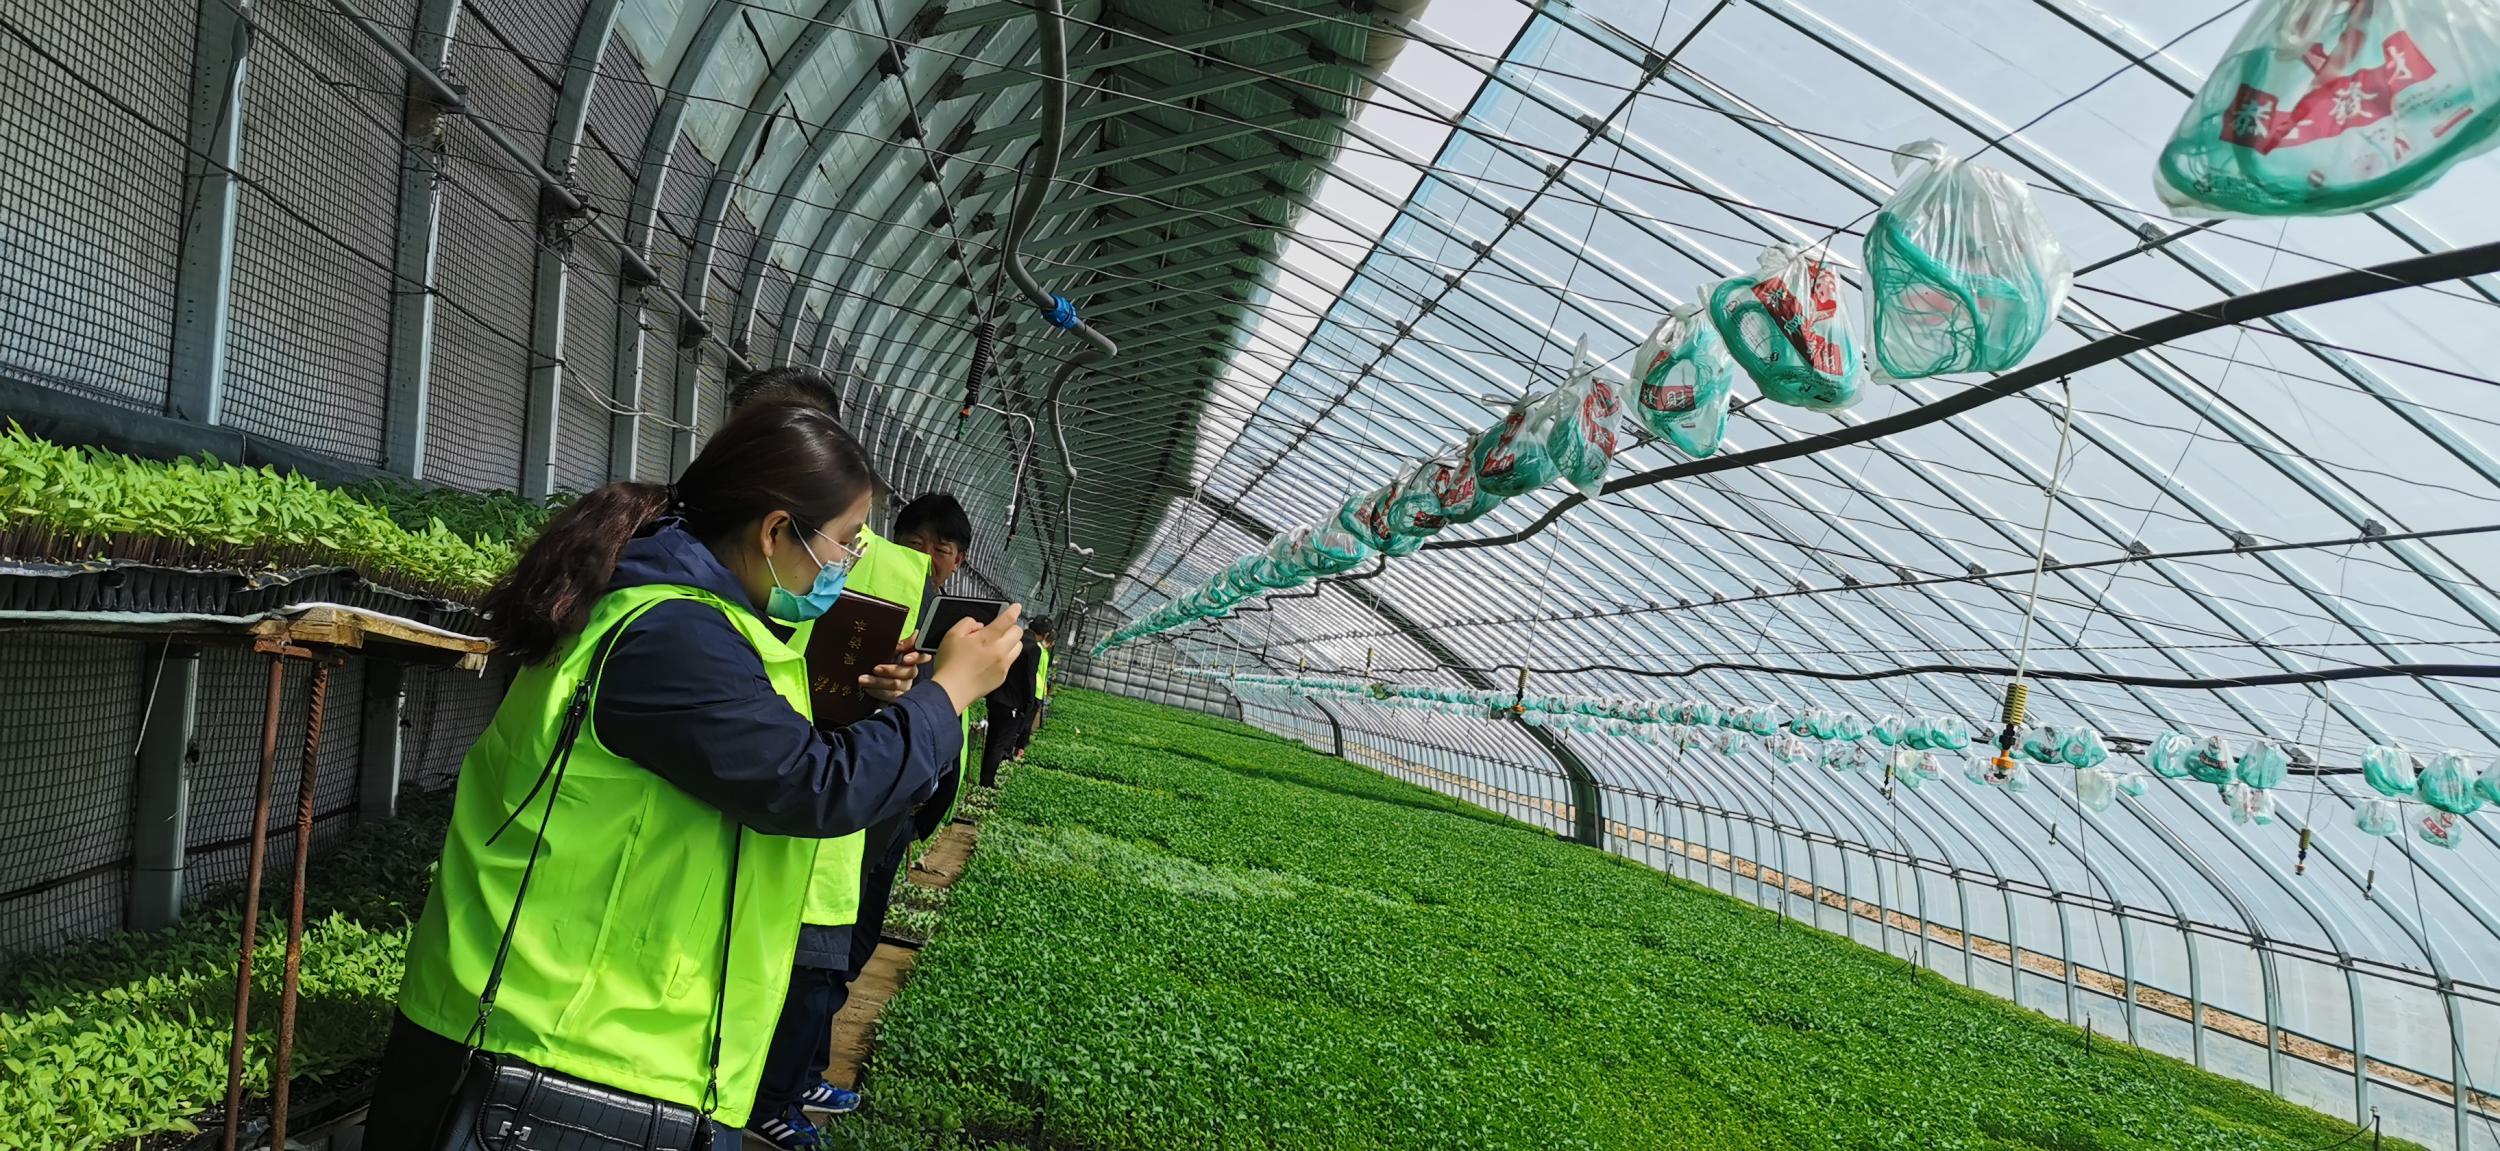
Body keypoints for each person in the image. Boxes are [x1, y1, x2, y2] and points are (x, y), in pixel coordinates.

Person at [362, 403, 1025, 1151]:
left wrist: (874, 706)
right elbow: (811, 785)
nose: (846, 564)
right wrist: (946, 695)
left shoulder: (688, 615)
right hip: (555, 1044)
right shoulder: (674, 633)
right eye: (844, 542)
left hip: (586, 1038)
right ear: (776, 531)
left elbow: (762, 760)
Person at [978, 617, 1043, 788]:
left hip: (996, 697)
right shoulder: (1033, 648)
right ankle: (986, 783)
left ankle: (983, 778)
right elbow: (1029, 679)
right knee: (999, 744)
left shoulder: (1013, 639)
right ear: (1044, 635)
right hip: (1012, 703)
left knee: (991, 740)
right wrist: (1029, 703)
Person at [1014, 617, 1055, 759]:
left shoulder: (1044, 652)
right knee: (1024, 723)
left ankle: (1019, 748)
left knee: (1027, 723)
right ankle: (1017, 748)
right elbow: (1033, 673)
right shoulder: (1037, 650)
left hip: (1038, 692)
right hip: (1034, 692)